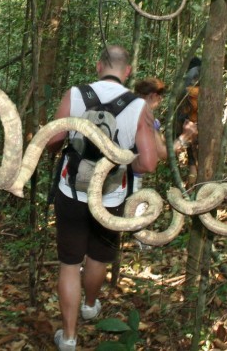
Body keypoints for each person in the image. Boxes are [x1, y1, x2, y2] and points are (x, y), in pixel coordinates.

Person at [46, 45, 159, 351]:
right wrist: (123, 163)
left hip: (72, 189)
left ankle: (68, 338)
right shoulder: (139, 105)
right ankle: (90, 305)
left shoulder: (76, 94)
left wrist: (60, 150)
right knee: (98, 257)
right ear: (127, 72)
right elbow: (148, 163)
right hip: (111, 196)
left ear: (98, 66)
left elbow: (54, 138)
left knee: (69, 264)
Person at [174, 57, 200, 186]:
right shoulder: (198, 86)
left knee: (192, 161)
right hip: (195, 127)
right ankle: (194, 188)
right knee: (195, 160)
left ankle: (191, 188)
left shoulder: (187, 85)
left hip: (188, 126)